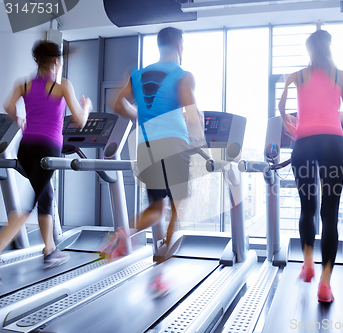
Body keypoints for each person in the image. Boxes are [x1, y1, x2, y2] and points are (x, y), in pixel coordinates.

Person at [110, 27, 206, 296]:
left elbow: (116, 103)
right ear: (178, 44)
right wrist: (200, 145)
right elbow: (192, 115)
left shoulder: (138, 75)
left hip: (146, 145)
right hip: (174, 144)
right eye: (183, 44)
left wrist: (136, 116)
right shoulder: (183, 76)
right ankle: (161, 265)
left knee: (156, 207)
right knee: (176, 206)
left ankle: (124, 232)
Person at [1, 40, 92, 270]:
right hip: (47, 148)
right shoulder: (62, 86)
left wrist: (19, 119)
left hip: (26, 148)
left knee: (46, 196)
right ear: (55, 61)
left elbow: (8, 105)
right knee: (29, 205)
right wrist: (87, 106)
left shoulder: (24, 84)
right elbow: (80, 120)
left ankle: (49, 249)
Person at [279, 29, 343, 303]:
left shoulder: (296, 76)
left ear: (308, 50)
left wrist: (293, 124)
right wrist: (330, 115)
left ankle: (308, 263)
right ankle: (325, 285)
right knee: (329, 213)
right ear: (330, 47)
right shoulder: (342, 76)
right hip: (333, 143)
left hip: (304, 143)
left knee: (307, 207)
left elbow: (281, 108)